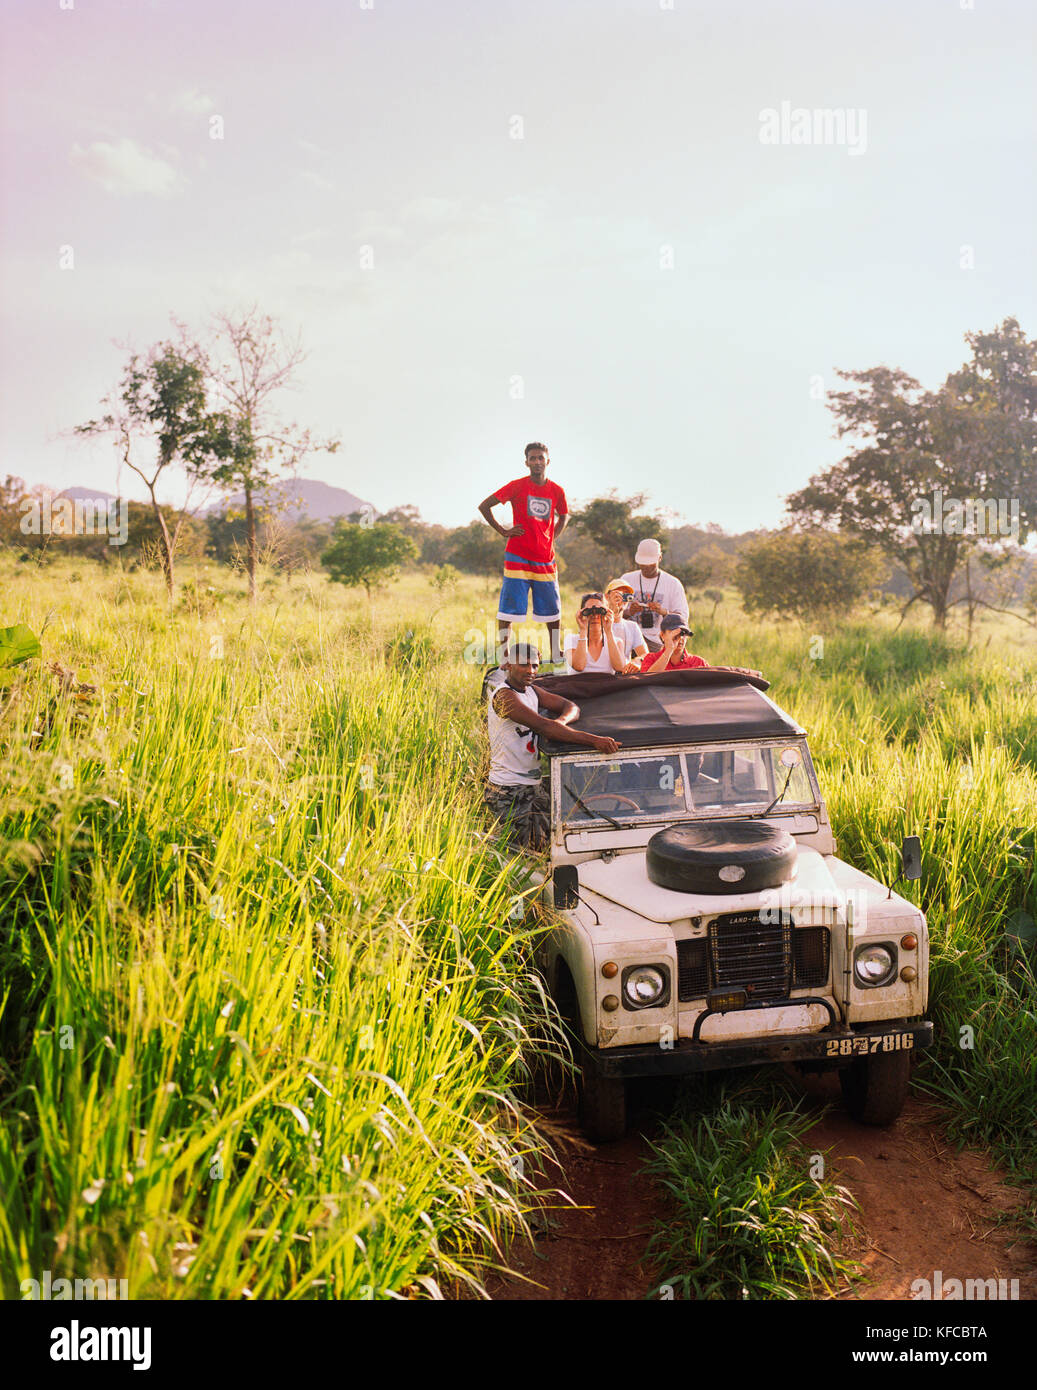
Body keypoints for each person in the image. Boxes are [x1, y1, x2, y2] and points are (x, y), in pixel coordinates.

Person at [485, 642, 622, 850]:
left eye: (535, 666)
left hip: (532, 783)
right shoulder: (504, 696)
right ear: (509, 664)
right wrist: (594, 741)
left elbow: (571, 707)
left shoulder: (532, 691)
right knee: (514, 853)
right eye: (524, 665)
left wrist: (560, 723)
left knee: (545, 846)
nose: (531, 671)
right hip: (508, 788)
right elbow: (544, 727)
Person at [478, 443, 568, 665]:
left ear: (548, 461)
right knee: (509, 608)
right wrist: (503, 531)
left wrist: (551, 537)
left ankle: (556, 651)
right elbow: (484, 506)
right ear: (526, 462)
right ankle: (504, 656)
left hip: (545, 558)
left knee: (552, 609)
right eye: (532, 458)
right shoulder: (516, 486)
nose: (537, 462)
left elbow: (564, 515)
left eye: (541, 458)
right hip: (517, 556)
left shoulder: (557, 490)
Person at [619, 538, 689, 652]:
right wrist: (629, 612)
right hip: (627, 640)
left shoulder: (672, 583)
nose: (646, 566)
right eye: (643, 563)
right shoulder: (626, 580)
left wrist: (663, 612)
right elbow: (612, 612)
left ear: (660, 558)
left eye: (650, 563)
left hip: (658, 641)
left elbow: (682, 618)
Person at [639, 614, 762, 677]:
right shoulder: (651, 659)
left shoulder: (698, 663)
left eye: (684, 634)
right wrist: (669, 649)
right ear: (662, 635)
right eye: (675, 634)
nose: (680, 639)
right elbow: (649, 678)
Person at [563, 591, 627, 674]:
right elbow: (579, 666)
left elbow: (619, 667)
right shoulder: (571, 639)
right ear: (582, 613)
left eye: (599, 611)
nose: (595, 615)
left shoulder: (617, 642)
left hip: (606, 686)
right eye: (589, 611)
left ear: (607, 612)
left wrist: (608, 631)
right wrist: (583, 630)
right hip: (579, 686)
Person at [603, 579, 649, 673]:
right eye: (617, 595)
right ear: (607, 597)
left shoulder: (632, 627)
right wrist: (611, 611)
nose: (621, 599)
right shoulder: (597, 622)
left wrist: (638, 661)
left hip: (624, 674)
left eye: (626, 596)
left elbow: (645, 655)